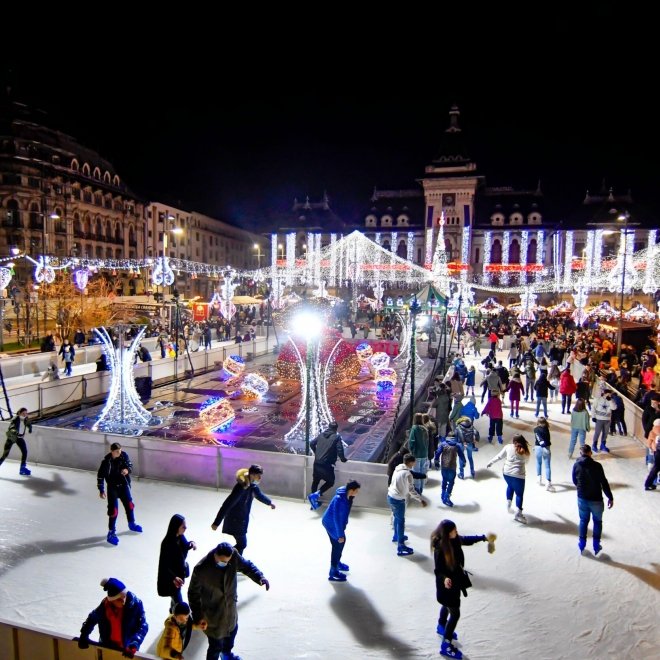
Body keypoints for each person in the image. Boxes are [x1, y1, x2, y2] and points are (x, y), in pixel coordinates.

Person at [188, 541, 270, 660]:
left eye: (227, 561)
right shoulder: (202, 569)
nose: (225, 564)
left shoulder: (234, 556)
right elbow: (193, 594)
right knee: (215, 646)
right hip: (213, 616)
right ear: (215, 554)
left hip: (230, 611)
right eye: (222, 561)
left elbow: (247, 566)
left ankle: (226, 654)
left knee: (231, 635)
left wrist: (260, 577)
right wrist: (198, 616)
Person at [432, 520, 493, 659]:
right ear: (447, 534)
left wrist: (483, 537)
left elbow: (466, 539)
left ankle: (441, 625)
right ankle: (446, 645)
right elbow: (438, 570)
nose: (456, 532)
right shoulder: (440, 549)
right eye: (454, 530)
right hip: (447, 586)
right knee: (455, 614)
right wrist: (445, 579)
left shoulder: (453, 540)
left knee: (447, 606)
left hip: (455, 582)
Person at [211, 464, 275, 556]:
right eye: (258, 475)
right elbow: (227, 505)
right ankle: (230, 558)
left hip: (242, 519)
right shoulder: (241, 488)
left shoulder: (253, 486)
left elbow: (259, 495)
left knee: (241, 544)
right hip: (235, 520)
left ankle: (230, 559)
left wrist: (269, 502)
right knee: (242, 544)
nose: (260, 478)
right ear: (252, 475)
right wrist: (216, 522)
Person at [78, 577, 148, 658]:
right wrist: (84, 634)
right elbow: (92, 619)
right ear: (112, 600)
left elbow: (143, 625)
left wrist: (134, 643)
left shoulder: (135, 604)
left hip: (127, 649)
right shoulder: (104, 606)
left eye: (124, 596)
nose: (123, 601)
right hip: (107, 646)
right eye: (119, 600)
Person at [97, 442, 143, 545]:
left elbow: (130, 465)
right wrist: (101, 489)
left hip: (123, 485)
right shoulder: (106, 462)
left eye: (120, 450)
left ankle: (132, 523)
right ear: (112, 451)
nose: (119, 452)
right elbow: (100, 476)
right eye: (117, 451)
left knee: (129, 505)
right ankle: (111, 532)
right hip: (112, 488)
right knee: (113, 511)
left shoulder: (124, 456)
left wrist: (127, 470)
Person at [572, 444, 614, 555]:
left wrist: (581, 489)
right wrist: (610, 497)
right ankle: (596, 544)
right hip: (596, 499)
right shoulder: (597, 466)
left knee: (583, 521)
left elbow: (574, 480)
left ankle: (582, 543)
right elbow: (604, 483)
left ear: (581, 453)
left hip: (582, 498)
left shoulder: (576, 465)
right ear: (590, 453)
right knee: (597, 522)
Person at [387, 454, 427, 556]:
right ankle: (401, 546)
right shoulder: (407, 474)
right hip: (398, 499)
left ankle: (396, 536)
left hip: (390, 496)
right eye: (414, 462)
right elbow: (411, 490)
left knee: (396, 517)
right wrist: (420, 499)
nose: (414, 464)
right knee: (401, 522)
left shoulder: (398, 468)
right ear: (410, 462)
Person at [322, 479, 360, 582]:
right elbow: (336, 519)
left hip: (333, 523)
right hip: (331, 524)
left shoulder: (347, 496)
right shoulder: (339, 499)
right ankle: (333, 571)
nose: (357, 493)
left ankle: (337, 563)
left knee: (340, 544)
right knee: (337, 545)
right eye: (356, 491)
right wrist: (340, 535)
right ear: (351, 490)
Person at [486, 434, 531, 524]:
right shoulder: (525, 451)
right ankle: (518, 514)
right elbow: (526, 461)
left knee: (510, 486)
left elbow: (499, 456)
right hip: (518, 475)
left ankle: (508, 502)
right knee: (519, 494)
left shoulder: (508, 447)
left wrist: (491, 462)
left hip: (506, 473)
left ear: (513, 441)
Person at [158, 514, 197, 612]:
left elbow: (184, 547)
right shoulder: (167, 543)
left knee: (175, 597)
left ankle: (172, 611)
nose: (185, 528)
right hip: (172, 579)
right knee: (179, 602)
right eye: (183, 526)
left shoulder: (180, 537)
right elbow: (164, 564)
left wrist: (191, 544)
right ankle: (176, 616)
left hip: (179, 575)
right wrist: (173, 577)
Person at [308, 421, 347, 509]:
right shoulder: (336, 437)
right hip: (327, 465)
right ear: (336, 429)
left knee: (315, 481)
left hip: (317, 463)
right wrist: (343, 459)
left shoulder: (321, 434)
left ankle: (313, 503)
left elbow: (311, 443)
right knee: (330, 482)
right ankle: (316, 495)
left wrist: (316, 453)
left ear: (329, 427)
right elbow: (340, 450)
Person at [0, 407, 33, 475]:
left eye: (26, 413)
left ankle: (22, 468)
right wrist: (14, 431)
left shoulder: (26, 419)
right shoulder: (15, 419)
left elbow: (29, 424)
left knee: (25, 452)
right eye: (23, 413)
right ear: (19, 413)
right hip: (12, 437)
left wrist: (30, 428)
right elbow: (11, 427)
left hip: (20, 438)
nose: (25, 415)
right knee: (5, 454)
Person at [438, 434, 464, 507]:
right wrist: (464, 461)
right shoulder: (457, 445)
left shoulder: (443, 444)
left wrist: (436, 460)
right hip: (452, 466)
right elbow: (461, 455)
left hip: (444, 466)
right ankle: (447, 497)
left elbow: (438, 453)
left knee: (444, 480)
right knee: (451, 482)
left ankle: (443, 494)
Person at [408, 412, 429, 494]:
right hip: (424, 453)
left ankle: (417, 490)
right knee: (422, 472)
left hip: (416, 454)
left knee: (416, 472)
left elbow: (412, 441)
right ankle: (421, 488)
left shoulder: (414, 428)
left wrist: (411, 451)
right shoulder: (425, 428)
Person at [591, 387, 617, 453]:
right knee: (597, 433)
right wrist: (593, 416)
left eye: (610, 394)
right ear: (604, 394)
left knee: (605, 433)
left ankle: (603, 445)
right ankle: (594, 445)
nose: (609, 395)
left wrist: (610, 400)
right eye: (608, 394)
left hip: (607, 420)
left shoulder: (611, 400)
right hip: (599, 419)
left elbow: (614, 408)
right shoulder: (598, 399)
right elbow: (593, 408)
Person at [533, 417, 553, 491]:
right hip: (546, 448)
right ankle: (548, 482)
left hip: (538, 447)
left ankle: (539, 479)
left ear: (538, 422)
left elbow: (538, 439)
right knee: (547, 466)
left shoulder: (536, 429)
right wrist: (545, 447)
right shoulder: (547, 429)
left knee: (538, 463)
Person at [643, 418, 660, 490]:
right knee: (656, 468)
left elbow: (649, 443)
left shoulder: (652, 431)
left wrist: (652, 448)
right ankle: (648, 483)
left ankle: (648, 483)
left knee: (655, 468)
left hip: (656, 451)